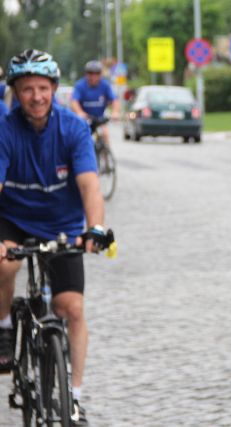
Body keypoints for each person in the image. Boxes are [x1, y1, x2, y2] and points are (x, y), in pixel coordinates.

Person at [0, 49, 111, 426]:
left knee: (72, 309)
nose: (35, 96)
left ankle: (74, 398)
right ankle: (3, 325)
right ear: (15, 91)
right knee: (5, 261)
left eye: (43, 88)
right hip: (12, 219)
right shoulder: (4, 128)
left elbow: (89, 185)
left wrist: (94, 228)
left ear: (54, 89)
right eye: (27, 88)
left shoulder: (73, 129)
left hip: (61, 225)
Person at [71, 60, 120, 146]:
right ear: (86, 74)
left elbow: (114, 100)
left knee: (105, 134)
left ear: (100, 74)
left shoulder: (105, 85)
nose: (93, 76)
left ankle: (106, 157)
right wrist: (79, 112)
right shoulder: (80, 85)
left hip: (99, 118)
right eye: (90, 73)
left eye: (96, 73)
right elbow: (74, 101)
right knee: (82, 139)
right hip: (85, 119)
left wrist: (115, 112)